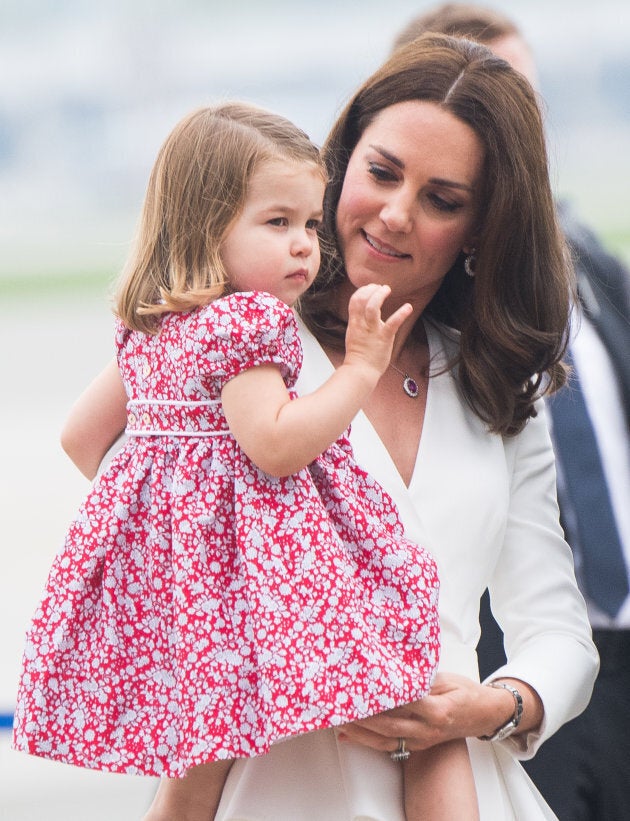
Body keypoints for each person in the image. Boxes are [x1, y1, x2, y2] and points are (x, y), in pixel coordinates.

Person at [48, 35, 599, 820]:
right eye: (380, 173)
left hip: (457, 774)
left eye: (442, 199)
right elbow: (110, 455)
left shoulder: (493, 385)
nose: (395, 213)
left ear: (481, 227)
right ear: (341, 167)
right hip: (272, 781)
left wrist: (493, 706)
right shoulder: (236, 332)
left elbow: (559, 634)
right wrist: (225, 589)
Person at [11, 100, 488, 821]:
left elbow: (83, 439)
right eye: (277, 223)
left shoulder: (156, 322)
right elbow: (274, 446)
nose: (304, 246)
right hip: (252, 581)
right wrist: (360, 371)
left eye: (308, 224)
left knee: (195, 777)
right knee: (408, 692)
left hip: (186, 587)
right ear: (209, 225)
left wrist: (163, 513)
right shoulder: (248, 319)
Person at [393, 7, 630, 819]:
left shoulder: (588, 272)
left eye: (525, 100)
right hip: (452, 695)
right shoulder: (269, 340)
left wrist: (510, 699)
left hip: (570, 675)